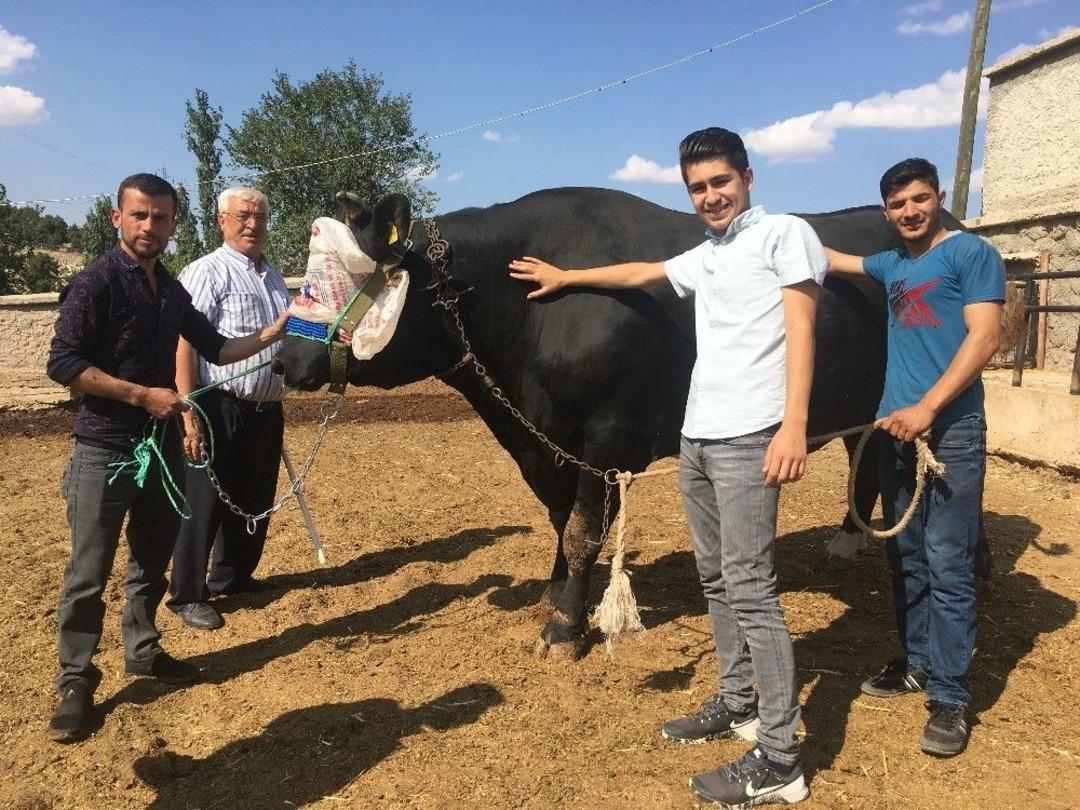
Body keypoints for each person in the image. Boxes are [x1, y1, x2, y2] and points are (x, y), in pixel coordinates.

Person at [509, 127, 824, 808]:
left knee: (753, 587)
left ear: (747, 177)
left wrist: (793, 424)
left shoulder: (784, 236)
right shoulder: (709, 254)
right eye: (698, 188)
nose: (711, 196)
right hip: (699, 438)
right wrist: (567, 276)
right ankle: (736, 701)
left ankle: (779, 756)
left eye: (721, 182)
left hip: (750, 435)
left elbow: (802, 328)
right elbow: (641, 273)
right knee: (715, 578)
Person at [45, 173, 289, 743]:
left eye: (160, 218)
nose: (149, 226)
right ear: (117, 218)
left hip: (158, 452)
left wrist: (276, 331)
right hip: (104, 447)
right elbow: (63, 364)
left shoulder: (171, 291)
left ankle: (143, 648)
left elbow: (219, 348)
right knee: (88, 571)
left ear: (174, 225)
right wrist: (141, 396)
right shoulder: (95, 284)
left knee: (150, 560)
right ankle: (75, 680)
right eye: (139, 216)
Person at [824, 158, 1004, 758]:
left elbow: (985, 336)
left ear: (938, 197)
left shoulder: (970, 254)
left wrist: (928, 406)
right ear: (886, 211)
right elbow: (835, 261)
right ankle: (919, 662)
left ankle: (950, 696)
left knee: (947, 562)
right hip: (894, 432)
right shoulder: (892, 262)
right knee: (905, 556)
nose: (910, 211)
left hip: (949, 432)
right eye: (899, 204)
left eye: (920, 200)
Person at [166, 187, 289, 631]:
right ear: (222, 220)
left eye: (260, 216)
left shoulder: (273, 276)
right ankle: (185, 594)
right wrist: (188, 410)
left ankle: (233, 578)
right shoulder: (206, 272)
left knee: (254, 496)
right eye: (243, 215)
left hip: (266, 407)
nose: (253, 224)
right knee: (205, 502)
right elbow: (185, 341)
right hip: (218, 405)